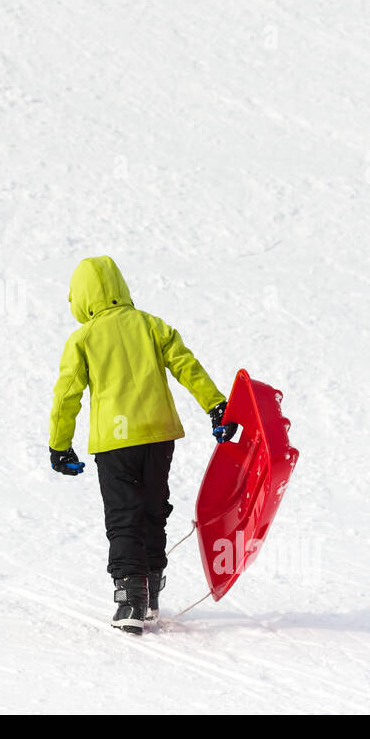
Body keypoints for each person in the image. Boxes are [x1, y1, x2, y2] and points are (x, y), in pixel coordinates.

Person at [48, 256, 236, 634]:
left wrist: (60, 445)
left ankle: (130, 597)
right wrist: (216, 405)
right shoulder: (150, 325)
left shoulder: (83, 338)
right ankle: (150, 589)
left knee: (124, 515)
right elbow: (186, 365)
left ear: (82, 297)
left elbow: (67, 395)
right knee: (152, 509)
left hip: (115, 442)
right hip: (157, 435)